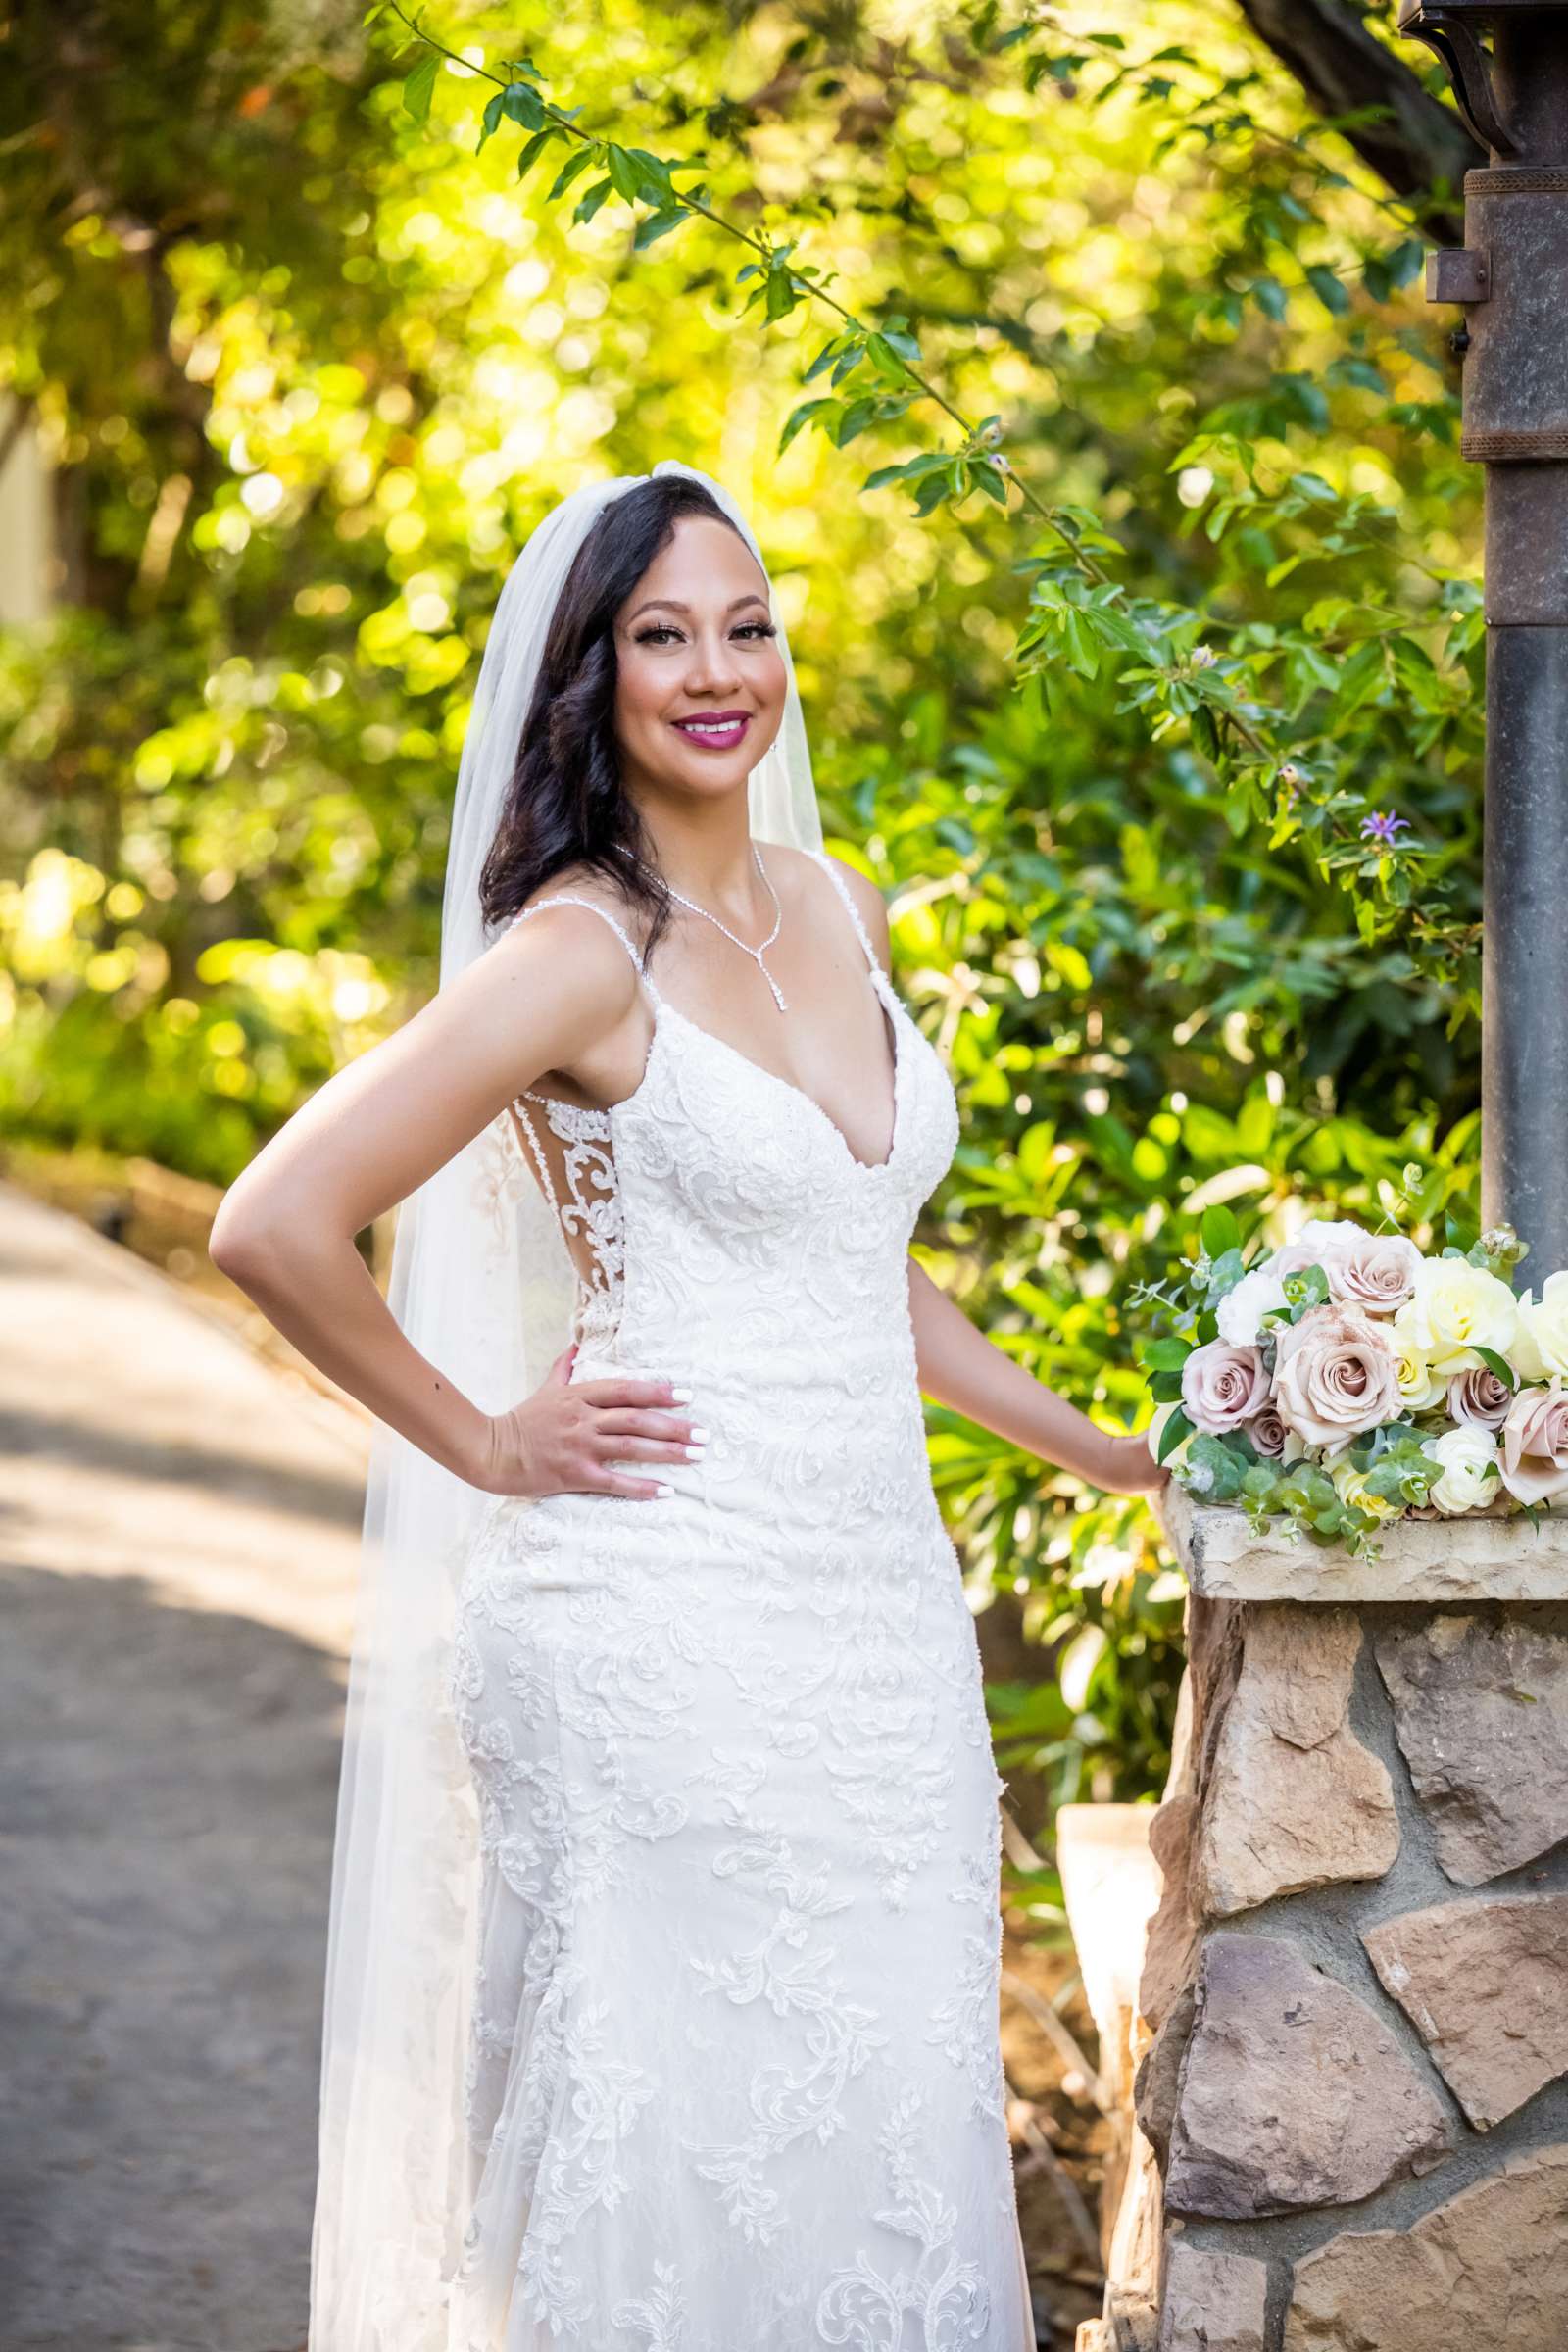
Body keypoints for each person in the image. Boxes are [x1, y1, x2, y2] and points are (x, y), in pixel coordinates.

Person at [210, 458, 1169, 2351]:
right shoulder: (574, 952)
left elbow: (853, 1265)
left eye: (750, 627)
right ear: (594, 675)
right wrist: (488, 1441)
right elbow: (273, 1223)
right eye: (664, 636)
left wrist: (1103, 1450)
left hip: (876, 1640)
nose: (718, 671)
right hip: (656, 1627)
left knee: (880, 2120)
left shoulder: (841, 900)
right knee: (681, 2142)